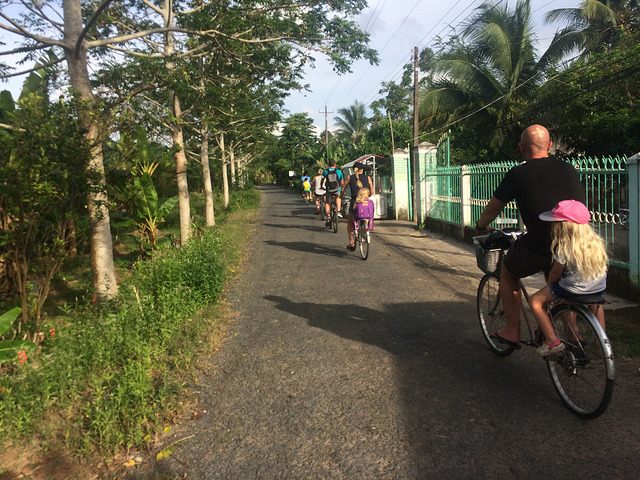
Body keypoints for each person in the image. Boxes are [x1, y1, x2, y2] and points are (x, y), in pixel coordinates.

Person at [475, 124, 586, 348]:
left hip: (540, 244)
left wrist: (481, 225)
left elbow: (494, 208)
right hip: (577, 243)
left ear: (521, 148)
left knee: (507, 271)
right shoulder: (569, 168)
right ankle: (572, 332)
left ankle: (511, 331)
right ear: (550, 146)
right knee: (557, 278)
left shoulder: (518, 173)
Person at [529, 200, 608, 356]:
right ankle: (602, 342)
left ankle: (551, 340)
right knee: (596, 305)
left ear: (563, 226)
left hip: (572, 289)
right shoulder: (596, 242)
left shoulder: (566, 246)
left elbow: (556, 273)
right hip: (598, 288)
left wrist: (550, 287)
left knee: (535, 301)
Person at [342, 164, 373, 250]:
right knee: (366, 216)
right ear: (362, 169)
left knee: (350, 223)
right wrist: (365, 197)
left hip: (355, 202)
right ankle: (365, 231)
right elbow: (372, 191)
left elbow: (343, 189)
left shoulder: (349, 177)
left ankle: (352, 243)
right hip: (366, 204)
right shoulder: (368, 178)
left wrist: (342, 195)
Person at [323, 160, 344, 226]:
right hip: (337, 190)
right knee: (338, 198)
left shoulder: (325, 171)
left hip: (329, 190)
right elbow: (342, 182)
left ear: (328, 165)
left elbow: (323, 180)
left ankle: (328, 216)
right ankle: (338, 211)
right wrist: (342, 189)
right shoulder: (339, 171)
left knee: (327, 203)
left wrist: (321, 186)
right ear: (335, 164)